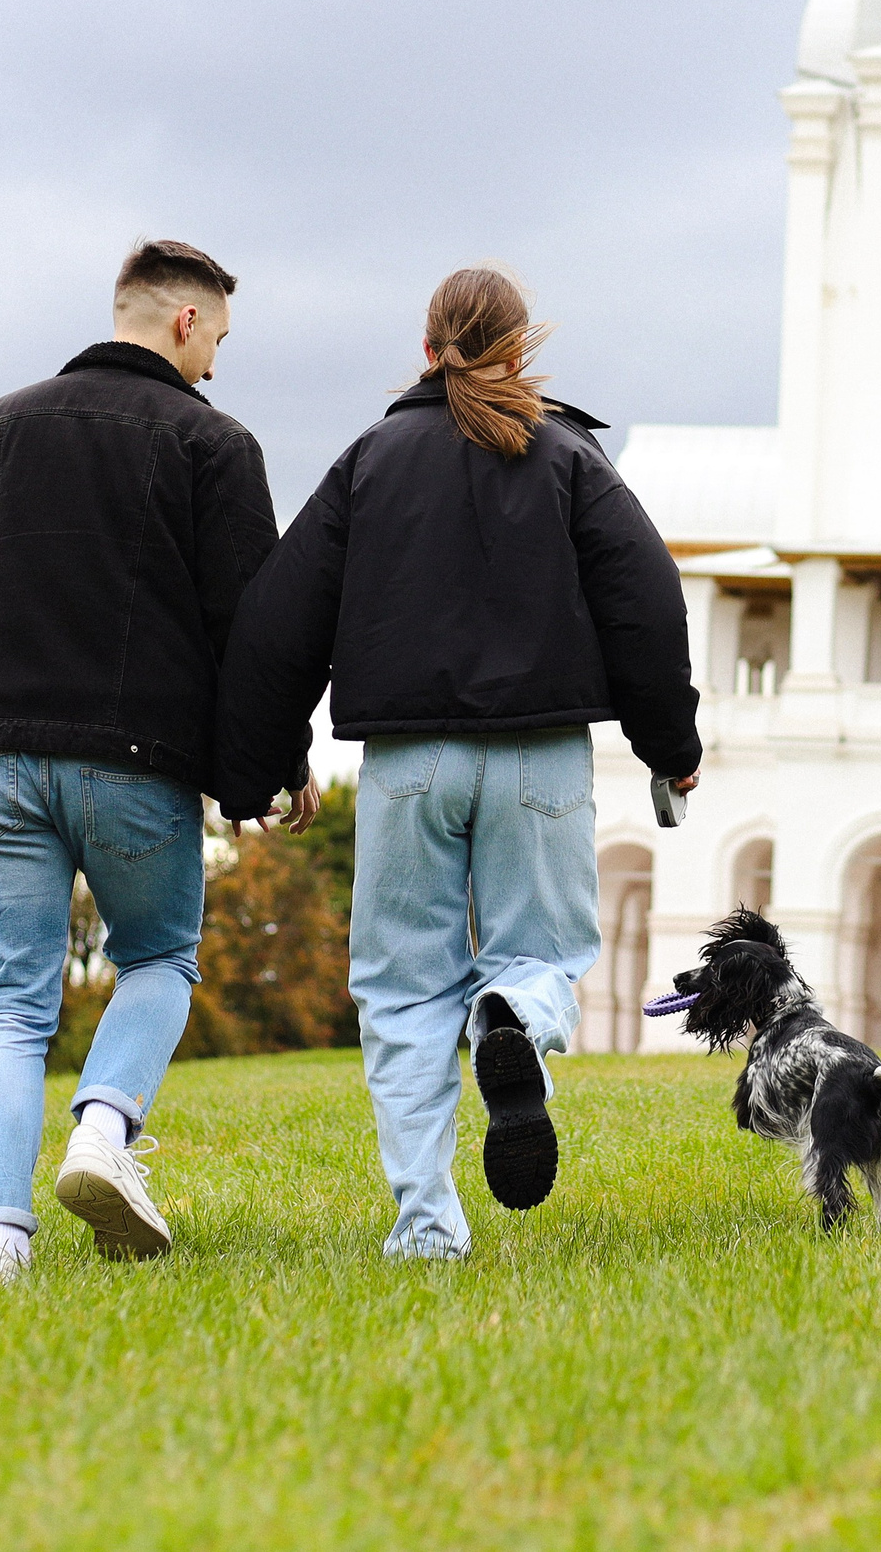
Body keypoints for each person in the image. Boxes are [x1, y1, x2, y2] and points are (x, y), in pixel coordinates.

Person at [214, 266, 701, 1259]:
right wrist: (669, 746)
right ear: (520, 352)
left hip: (408, 761)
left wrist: (260, 762)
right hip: (540, 759)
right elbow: (646, 600)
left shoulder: (371, 459)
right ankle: (512, 1014)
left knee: (399, 989)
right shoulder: (571, 455)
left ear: (426, 349)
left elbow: (275, 620)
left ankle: (427, 1225)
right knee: (541, 952)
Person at [0, 239, 317, 1282]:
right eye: (215, 338)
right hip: (136, 758)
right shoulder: (216, 444)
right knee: (159, 957)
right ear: (181, 323)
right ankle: (104, 1133)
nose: (215, 362)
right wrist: (271, 761)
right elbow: (251, 628)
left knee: (9, 1007)